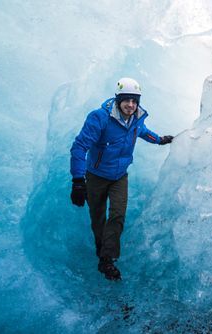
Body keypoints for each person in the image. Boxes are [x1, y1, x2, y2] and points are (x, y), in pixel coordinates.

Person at [70, 77, 173, 281]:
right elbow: (79, 147)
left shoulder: (136, 119)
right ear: (118, 99)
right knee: (98, 218)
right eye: (127, 100)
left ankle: (107, 260)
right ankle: (101, 250)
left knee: (117, 215)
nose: (131, 105)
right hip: (96, 176)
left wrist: (160, 140)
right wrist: (78, 181)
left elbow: (143, 132)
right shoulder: (100, 118)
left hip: (119, 177)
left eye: (135, 101)